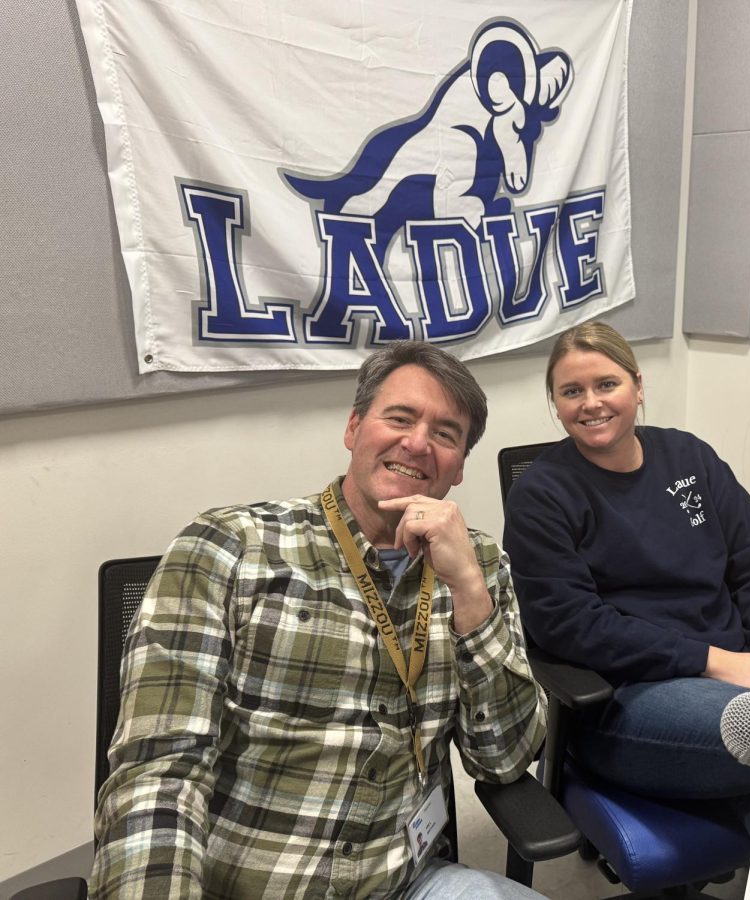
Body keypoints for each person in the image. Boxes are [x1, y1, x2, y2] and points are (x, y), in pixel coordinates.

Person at [92, 342, 549, 899]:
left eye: (446, 434)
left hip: (406, 880)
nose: (417, 443)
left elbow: (505, 760)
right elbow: (159, 774)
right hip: (250, 883)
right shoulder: (230, 546)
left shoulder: (478, 565)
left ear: (457, 469)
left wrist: (471, 596)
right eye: (399, 418)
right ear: (354, 427)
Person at [503, 321, 750, 860]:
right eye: (571, 391)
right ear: (555, 403)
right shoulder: (543, 494)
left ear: (638, 387)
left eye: (607, 384)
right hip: (624, 705)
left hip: (739, 683)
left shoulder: (689, 458)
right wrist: (714, 662)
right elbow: (571, 624)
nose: (591, 403)